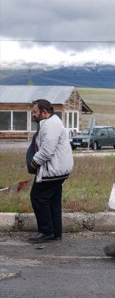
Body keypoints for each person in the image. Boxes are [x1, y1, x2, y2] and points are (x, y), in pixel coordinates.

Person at [26, 99, 74, 243]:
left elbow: (47, 150)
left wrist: (33, 163)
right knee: (52, 200)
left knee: (38, 197)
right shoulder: (52, 122)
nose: (32, 114)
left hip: (53, 171)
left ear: (44, 113)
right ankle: (55, 233)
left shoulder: (50, 124)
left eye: (35, 112)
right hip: (58, 170)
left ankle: (46, 231)